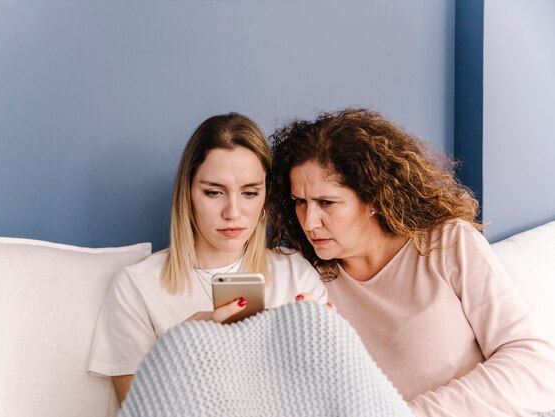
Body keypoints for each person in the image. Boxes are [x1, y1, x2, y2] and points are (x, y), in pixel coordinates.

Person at [269, 108, 555, 416]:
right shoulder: (308, 280)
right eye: (300, 202)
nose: (310, 221)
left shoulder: (447, 244)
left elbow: (535, 365)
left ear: (374, 200)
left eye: (327, 203)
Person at [88, 113, 327, 405]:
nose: (233, 212)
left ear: (266, 196)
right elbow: (137, 409)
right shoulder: (136, 286)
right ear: (187, 193)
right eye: (214, 192)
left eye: (250, 193)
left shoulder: (294, 274)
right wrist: (177, 353)